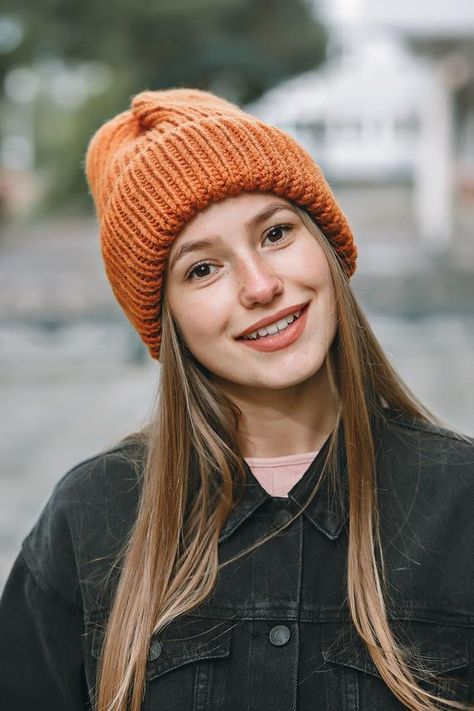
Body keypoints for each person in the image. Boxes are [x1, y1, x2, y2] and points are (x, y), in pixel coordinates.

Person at [0, 88, 473, 711]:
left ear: (327, 246)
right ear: (164, 317)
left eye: (276, 232)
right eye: (202, 269)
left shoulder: (461, 499)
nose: (260, 286)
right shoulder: (89, 519)